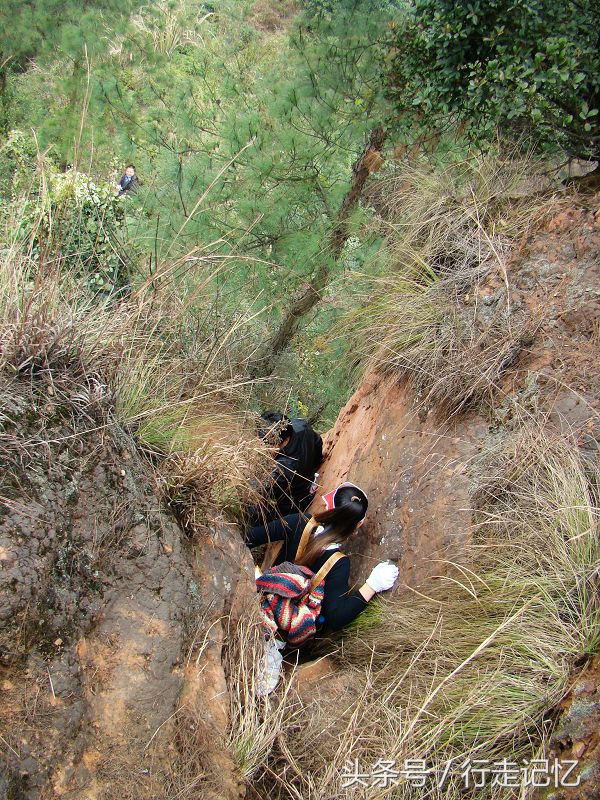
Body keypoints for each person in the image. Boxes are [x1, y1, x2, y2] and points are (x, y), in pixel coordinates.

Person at [248, 482, 399, 694]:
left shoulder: (298, 522)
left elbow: (249, 537)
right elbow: (336, 617)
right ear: (358, 525)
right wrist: (372, 585)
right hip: (284, 629)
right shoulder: (338, 563)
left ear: (330, 507)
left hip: (260, 596)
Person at [251, 411, 323, 523]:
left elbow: (256, 491)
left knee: (253, 513)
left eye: (265, 444)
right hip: (308, 478)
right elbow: (318, 442)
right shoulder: (301, 425)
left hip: (296, 501)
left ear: (280, 442)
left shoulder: (283, 468)